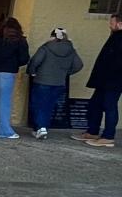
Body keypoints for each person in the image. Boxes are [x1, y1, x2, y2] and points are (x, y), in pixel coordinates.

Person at [72, 13, 122, 149]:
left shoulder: (119, 38)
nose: (110, 25)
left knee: (110, 107)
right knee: (95, 105)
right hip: (104, 81)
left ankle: (108, 137)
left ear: (119, 24)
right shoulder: (115, 37)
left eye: (112, 23)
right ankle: (93, 132)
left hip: (113, 81)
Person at [28, 27, 84, 140]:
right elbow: (79, 65)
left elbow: (35, 61)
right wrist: (66, 73)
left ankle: (41, 128)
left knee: (38, 105)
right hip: (59, 83)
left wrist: (32, 72)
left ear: (53, 36)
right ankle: (42, 128)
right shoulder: (71, 49)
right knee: (49, 106)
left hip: (42, 80)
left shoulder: (46, 47)